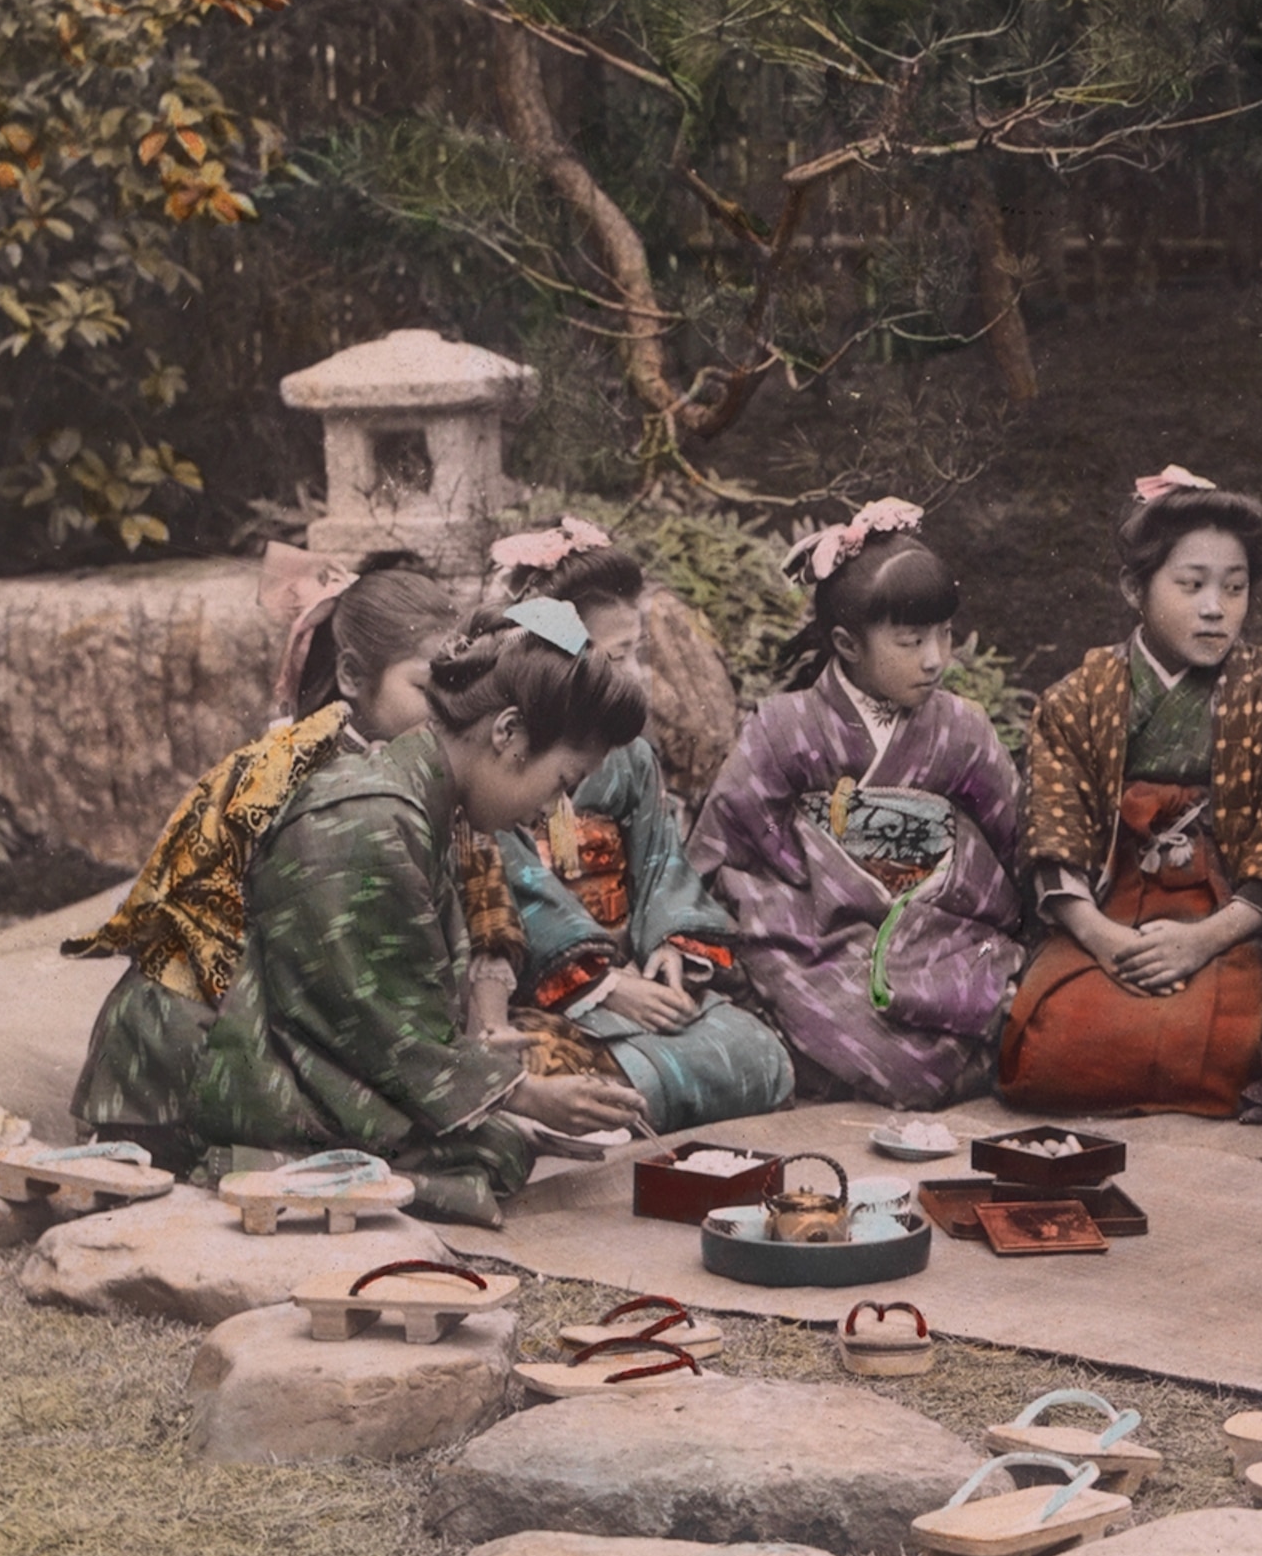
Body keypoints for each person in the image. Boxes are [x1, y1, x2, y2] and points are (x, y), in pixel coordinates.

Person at [193, 601, 661, 1224]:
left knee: (491, 1147)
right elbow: (378, 1023)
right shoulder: (372, 817)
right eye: (561, 782)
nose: (556, 810)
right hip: (237, 1059)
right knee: (480, 1160)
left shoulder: (413, 797)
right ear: (509, 733)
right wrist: (528, 1097)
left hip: (299, 1040)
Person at [63, 550, 462, 1162]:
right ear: (353, 677)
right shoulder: (313, 774)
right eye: (425, 688)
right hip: (198, 1026)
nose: (445, 713)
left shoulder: (388, 773)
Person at [997, 465, 1262, 1117]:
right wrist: (1099, 936)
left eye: (1234, 589)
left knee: (1230, 1047)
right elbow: (1055, 828)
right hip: (1110, 905)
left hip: (1229, 916)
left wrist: (1203, 939)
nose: (1215, 608)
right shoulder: (1080, 698)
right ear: (1134, 587)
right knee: (1047, 1049)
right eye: (1191, 585)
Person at [687, 500, 1027, 1108]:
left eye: (945, 635)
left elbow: (1013, 835)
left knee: (984, 1001)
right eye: (911, 639)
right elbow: (724, 842)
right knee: (875, 1042)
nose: (934, 659)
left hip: (936, 928)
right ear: (846, 643)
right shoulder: (784, 726)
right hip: (818, 932)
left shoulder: (961, 729)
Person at [482, 524, 794, 1135]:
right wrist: (600, 985)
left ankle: (619, 1104)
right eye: (617, 657)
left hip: (635, 979)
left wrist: (668, 953)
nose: (637, 675)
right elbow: (513, 884)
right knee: (544, 1060)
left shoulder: (632, 757)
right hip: (547, 990)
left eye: (637, 653)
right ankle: (605, 1104)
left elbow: (661, 867)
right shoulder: (501, 762)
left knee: (762, 1056)